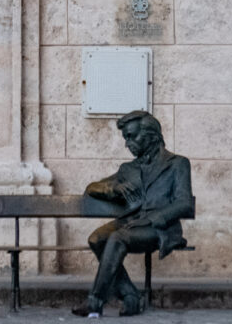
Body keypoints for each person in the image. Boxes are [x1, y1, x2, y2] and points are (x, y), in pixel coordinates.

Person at [72, 111, 194, 319]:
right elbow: (92, 188)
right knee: (97, 238)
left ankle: (95, 301)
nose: (127, 143)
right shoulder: (128, 169)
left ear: (151, 135)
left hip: (160, 228)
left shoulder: (177, 163)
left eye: (131, 136)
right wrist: (114, 190)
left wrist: (153, 219)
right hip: (131, 223)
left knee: (117, 237)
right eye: (126, 138)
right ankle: (130, 295)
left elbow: (184, 204)